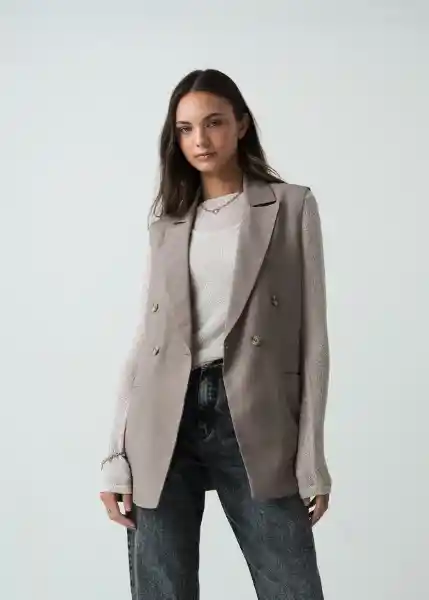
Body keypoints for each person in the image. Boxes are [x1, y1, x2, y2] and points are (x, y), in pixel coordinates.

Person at [99, 68, 332, 600]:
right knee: (163, 588)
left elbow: (314, 339)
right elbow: (144, 343)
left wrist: (312, 457)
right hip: (163, 418)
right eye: (185, 129)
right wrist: (114, 457)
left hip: (252, 410)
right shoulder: (168, 224)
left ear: (241, 125)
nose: (200, 140)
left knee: (291, 586)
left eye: (214, 123)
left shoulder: (290, 206)